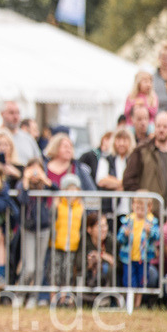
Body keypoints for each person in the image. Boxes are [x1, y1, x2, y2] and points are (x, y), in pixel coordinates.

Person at [122, 112, 167, 212]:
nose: (161, 130)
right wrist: (140, 197)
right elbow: (128, 180)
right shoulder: (141, 151)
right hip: (148, 216)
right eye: (158, 126)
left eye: (165, 127)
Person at [17, 159, 55, 291]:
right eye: (31, 169)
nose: (34, 172)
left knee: (39, 267)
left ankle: (34, 296)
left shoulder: (44, 185)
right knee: (30, 267)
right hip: (28, 228)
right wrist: (26, 182)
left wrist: (44, 179)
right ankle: (20, 293)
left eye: (37, 169)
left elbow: (57, 189)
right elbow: (22, 200)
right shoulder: (21, 185)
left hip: (44, 227)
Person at [48, 173, 86, 301]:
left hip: (73, 245)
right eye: (68, 189)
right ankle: (53, 298)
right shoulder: (58, 206)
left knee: (68, 272)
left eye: (74, 189)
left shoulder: (81, 208)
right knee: (55, 272)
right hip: (57, 244)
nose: (71, 193)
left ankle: (64, 299)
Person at [117, 194, 160, 296]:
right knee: (129, 281)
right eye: (137, 208)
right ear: (133, 206)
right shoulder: (128, 220)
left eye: (142, 208)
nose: (139, 211)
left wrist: (150, 231)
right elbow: (119, 238)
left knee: (142, 281)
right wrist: (125, 235)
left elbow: (157, 236)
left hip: (143, 258)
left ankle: (137, 304)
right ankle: (130, 303)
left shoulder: (151, 222)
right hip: (128, 257)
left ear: (149, 208)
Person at [95, 128, 137, 223]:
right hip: (110, 211)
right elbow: (101, 180)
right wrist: (124, 184)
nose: (121, 143)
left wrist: (113, 182)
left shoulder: (133, 160)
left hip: (130, 211)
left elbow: (136, 181)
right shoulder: (106, 159)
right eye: (118, 140)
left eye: (125, 140)